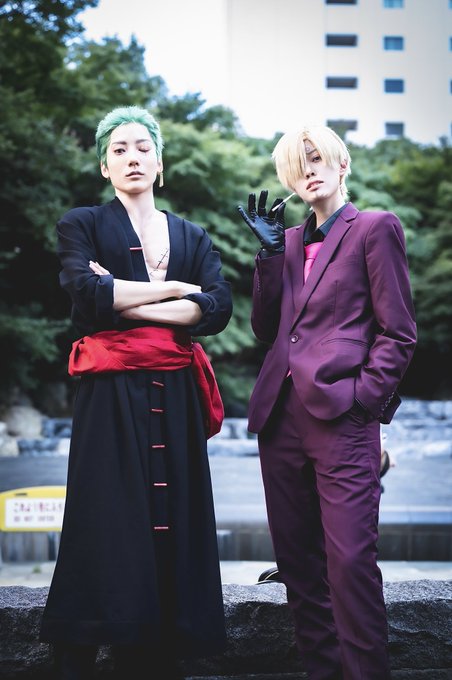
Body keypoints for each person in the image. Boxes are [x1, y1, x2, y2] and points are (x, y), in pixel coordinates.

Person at [39, 105, 232, 680]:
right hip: (108, 392)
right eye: (118, 150)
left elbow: (217, 308)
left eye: (143, 148)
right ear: (105, 166)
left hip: (177, 392)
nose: (132, 158)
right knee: (103, 510)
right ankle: (86, 643)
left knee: (176, 512)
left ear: (160, 162)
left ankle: (159, 647)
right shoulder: (81, 223)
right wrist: (174, 290)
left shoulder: (192, 234)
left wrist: (123, 296)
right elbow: (85, 293)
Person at [237, 124, 416, 680]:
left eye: (317, 159)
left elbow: (398, 332)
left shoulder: (375, 228)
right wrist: (269, 256)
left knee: (351, 562)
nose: (309, 170)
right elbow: (267, 329)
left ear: (342, 164)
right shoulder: (288, 243)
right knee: (297, 563)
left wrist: (364, 401)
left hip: (343, 416)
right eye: (298, 164)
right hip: (279, 417)